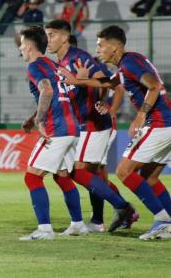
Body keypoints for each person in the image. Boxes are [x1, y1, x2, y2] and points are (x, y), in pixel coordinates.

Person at [61, 25, 171, 240]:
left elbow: (154, 86)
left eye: (101, 45)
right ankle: (167, 221)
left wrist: (140, 115)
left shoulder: (130, 62)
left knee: (123, 171)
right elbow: (109, 83)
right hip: (166, 124)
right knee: (149, 177)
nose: (98, 49)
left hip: (157, 123)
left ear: (115, 46)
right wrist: (77, 81)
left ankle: (162, 221)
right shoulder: (125, 66)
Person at [45, 20, 136, 233]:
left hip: (93, 124)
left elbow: (107, 81)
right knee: (93, 176)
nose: (47, 39)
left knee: (77, 172)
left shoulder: (79, 58)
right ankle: (98, 221)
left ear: (64, 37)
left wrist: (106, 104)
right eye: (46, 35)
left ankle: (123, 208)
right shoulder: (59, 63)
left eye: (51, 35)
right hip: (79, 125)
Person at [17, 25, 84, 241]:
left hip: (57, 129)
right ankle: (78, 224)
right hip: (71, 126)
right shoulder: (52, 64)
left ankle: (45, 230)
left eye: (21, 44)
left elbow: (46, 89)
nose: (20, 48)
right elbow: (54, 93)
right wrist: (33, 116)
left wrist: (39, 120)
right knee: (62, 175)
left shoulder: (35, 66)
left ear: (28, 46)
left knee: (32, 177)